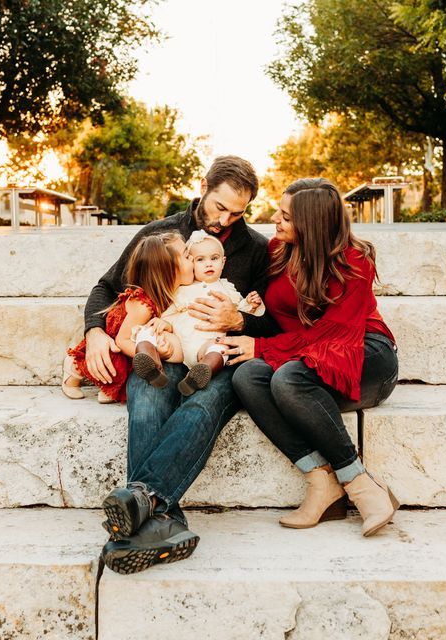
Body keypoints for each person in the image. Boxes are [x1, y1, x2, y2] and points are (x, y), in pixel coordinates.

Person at [82, 156, 279, 574]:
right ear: (203, 186)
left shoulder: (258, 251)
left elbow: (274, 320)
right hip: (167, 348)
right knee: (150, 389)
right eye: (218, 207)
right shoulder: (159, 236)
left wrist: (241, 319)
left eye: (237, 213)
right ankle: (158, 519)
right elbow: (106, 287)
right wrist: (94, 332)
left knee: (202, 402)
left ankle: (141, 507)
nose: (224, 220)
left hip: (219, 359)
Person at [225, 178, 400, 537]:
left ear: (312, 225)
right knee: (246, 377)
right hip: (302, 359)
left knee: (289, 377)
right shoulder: (278, 252)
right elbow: (277, 321)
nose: (275, 219)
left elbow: (332, 336)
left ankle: (361, 484)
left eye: (286, 217)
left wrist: (261, 348)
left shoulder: (355, 261)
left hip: (365, 356)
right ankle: (322, 482)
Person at [132, 230, 265, 397]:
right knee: (148, 331)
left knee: (221, 348)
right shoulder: (183, 290)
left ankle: (202, 372)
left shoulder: (228, 289)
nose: (208, 264)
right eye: (199, 260)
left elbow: (238, 313)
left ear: (223, 263)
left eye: (214, 258)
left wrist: (251, 305)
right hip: (179, 344)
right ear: (192, 264)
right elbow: (171, 313)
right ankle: (149, 358)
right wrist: (164, 323)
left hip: (206, 345)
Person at [61, 232, 192, 403]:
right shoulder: (143, 306)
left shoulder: (174, 295)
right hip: (117, 341)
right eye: (187, 256)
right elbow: (122, 341)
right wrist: (153, 352)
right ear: (169, 269)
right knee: (108, 361)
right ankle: (72, 369)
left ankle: (109, 385)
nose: (194, 260)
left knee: (118, 371)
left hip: (132, 339)